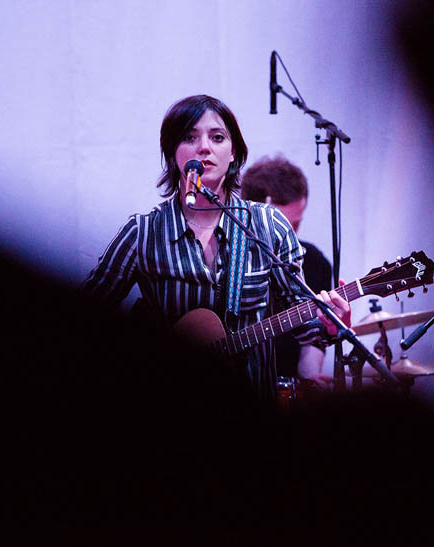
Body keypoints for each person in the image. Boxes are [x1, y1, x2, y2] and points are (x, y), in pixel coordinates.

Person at [81, 94, 350, 402]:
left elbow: (305, 327)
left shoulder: (267, 225)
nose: (204, 147)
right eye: (189, 137)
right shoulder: (143, 232)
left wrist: (330, 326)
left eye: (217, 137)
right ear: (172, 153)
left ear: (233, 152)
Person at [240, 155, 334, 388]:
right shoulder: (224, 256)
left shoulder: (314, 261)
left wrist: (310, 376)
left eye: (296, 225)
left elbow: (312, 342)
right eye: (280, 226)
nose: (288, 236)